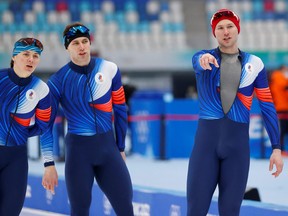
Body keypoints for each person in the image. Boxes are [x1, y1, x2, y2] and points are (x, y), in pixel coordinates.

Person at [186, 9, 283, 216]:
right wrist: (203, 60)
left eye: (230, 26)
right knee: (195, 211)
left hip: (237, 151)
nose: (226, 31)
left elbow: (267, 105)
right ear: (215, 33)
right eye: (220, 28)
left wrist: (276, 148)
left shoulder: (254, 64)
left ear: (237, 29)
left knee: (231, 212)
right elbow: (198, 61)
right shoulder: (202, 58)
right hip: (205, 150)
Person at [40, 22, 134, 216]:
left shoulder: (110, 69)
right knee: (80, 210)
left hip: (109, 150)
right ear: (67, 47)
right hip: (79, 154)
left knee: (126, 208)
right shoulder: (58, 81)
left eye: (85, 41)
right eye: (75, 43)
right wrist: (49, 164)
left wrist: (121, 146)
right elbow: (46, 126)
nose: (82, 47)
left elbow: (120, 109)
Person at [0, 38, 58, 216]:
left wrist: (49, 165)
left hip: (16, 159)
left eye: (35, 56)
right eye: (26, 54)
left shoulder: (41, 89)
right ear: (14, 56)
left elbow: (45, 127)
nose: (31, 59)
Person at [270, 65, 288, 153]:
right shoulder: (280, 78)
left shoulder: (275, 79)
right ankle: (281, 150)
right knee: (283, 130)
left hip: (281, 107)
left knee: (283, 130)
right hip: (283, 107)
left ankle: (282, 150)